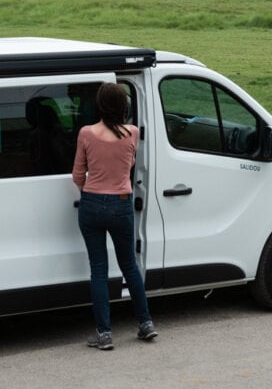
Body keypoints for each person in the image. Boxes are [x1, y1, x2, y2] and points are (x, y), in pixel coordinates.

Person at [71, 82, 157, 350]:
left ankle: (104, 334)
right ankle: (145, 324)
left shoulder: (86, 133)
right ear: (124, 106)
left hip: (92, 204)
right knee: (129, 265)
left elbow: (77, 174)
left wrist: (91, 191)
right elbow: (129, 166)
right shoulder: (132, 133)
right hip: (121, 204)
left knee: (98, 269)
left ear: (99, 105)